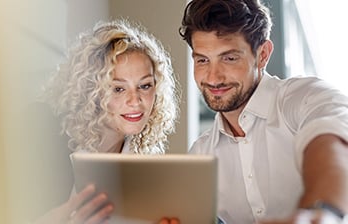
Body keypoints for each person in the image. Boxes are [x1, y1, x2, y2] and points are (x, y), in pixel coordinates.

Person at [177, 0, 348, 224]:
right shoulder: (200, 155)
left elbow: (330, 141)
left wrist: (322, 212)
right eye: (202, 60)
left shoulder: (305, 97)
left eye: (229, 58)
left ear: (263, 54)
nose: (213, 77)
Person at [30, 19, 181, 224]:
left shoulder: (145, 166)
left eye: (145, 86)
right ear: (91, 90)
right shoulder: (41, 132)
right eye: (118, 88)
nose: (135, 100)